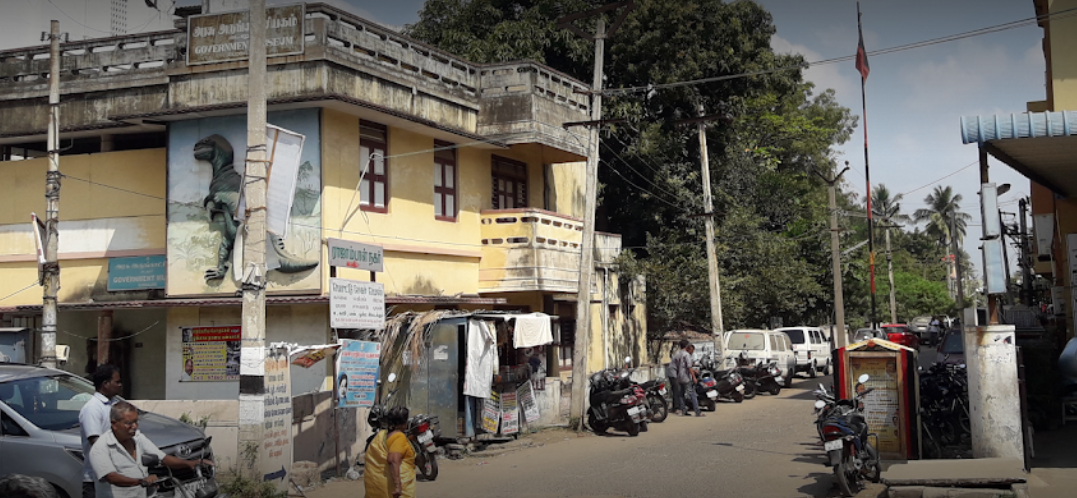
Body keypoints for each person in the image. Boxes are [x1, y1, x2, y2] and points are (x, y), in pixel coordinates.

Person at [88, 401, 211, 498]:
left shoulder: (138, 438)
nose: (134, 426)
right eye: (129, 423)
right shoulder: (101, 447)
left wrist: (191, 463)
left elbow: (163, 458)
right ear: (114, 424)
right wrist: (140, 481)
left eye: (136, 422)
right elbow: (112, 477)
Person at [79, 365, 123, 498]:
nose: (120, 385)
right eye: (117, 382)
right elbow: (96, 442)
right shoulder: (93, 408)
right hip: (97, 479)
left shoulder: (116, 405)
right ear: (105, 384)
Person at [364, 406, 416, 498]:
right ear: (404, 423)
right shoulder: (399, 437)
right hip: (393, 488)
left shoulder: (382, 434)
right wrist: (398, 485)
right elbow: (393, 460)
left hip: (378, 485)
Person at [668, 340, 689, 416]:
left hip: (675, 373)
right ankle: (676, 408)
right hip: (673, 373)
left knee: (678, 390)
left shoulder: (682, 353)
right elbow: (680, 367)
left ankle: (678, 406)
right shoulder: (680, 354)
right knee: (677, 390)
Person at [683, 344, 703, 417]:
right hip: (686, 378)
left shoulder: (683, 355)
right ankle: (697, 411)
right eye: (691, 350)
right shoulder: (686, 356)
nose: (692, 352)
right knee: (692, 394)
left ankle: (684, 409)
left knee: (685, 394)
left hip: (684, 378)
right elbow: (689, 367)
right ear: (688, 349)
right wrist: (694, 376)